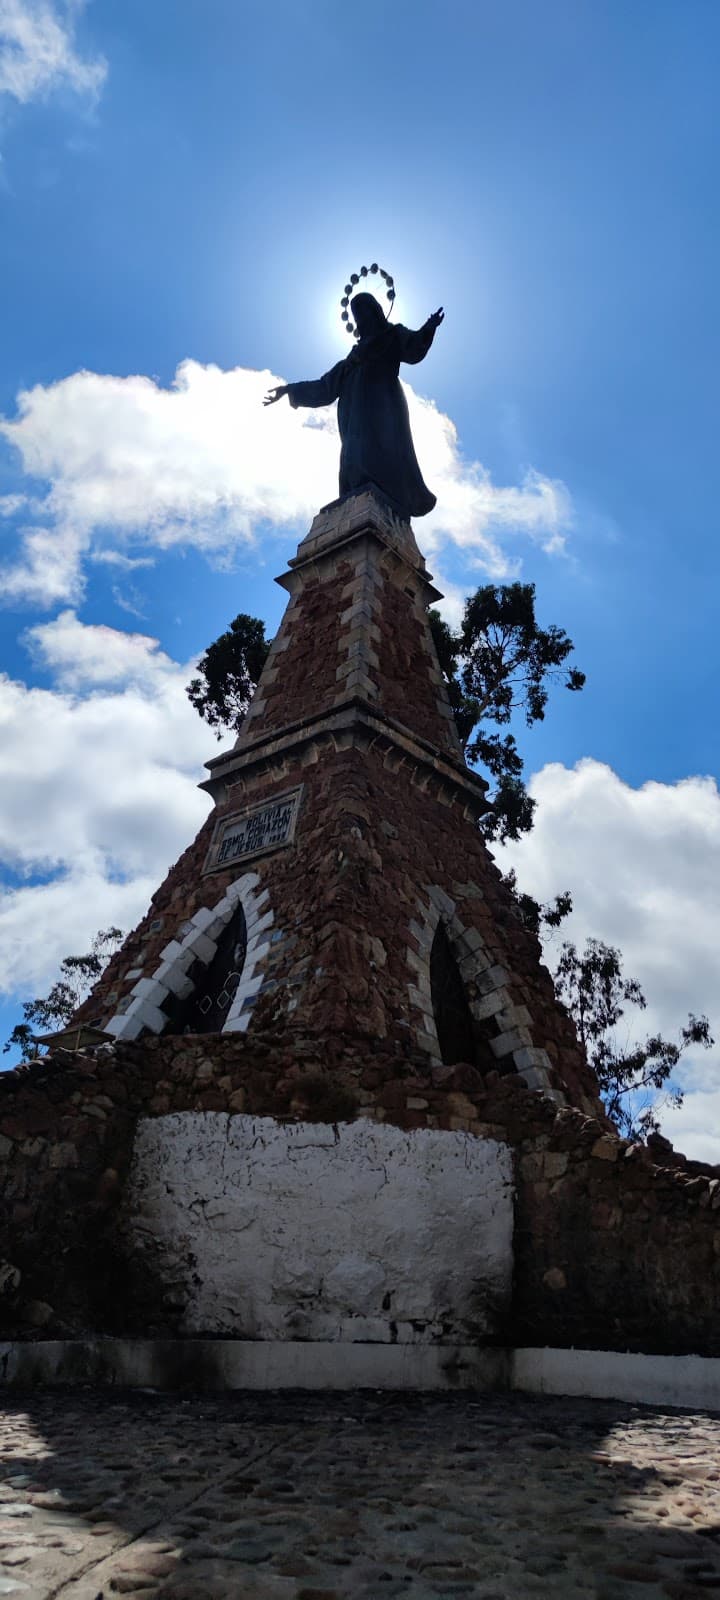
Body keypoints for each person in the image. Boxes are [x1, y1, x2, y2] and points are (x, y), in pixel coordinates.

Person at [264, 293, 444, 519]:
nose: (360, 317)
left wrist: (428, 327)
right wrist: (290, 389)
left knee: (382, 451)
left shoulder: (391, 336)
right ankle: (354, 503)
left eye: (364, 311)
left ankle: (384, 502)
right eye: (356, 313)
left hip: (383, 408)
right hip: (354, 419)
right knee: (353, 456)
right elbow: (324, 388)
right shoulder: (349, 362)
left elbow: (413, 347)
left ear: (375, 311)